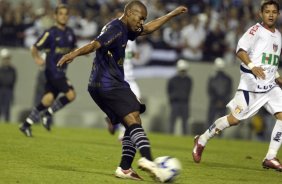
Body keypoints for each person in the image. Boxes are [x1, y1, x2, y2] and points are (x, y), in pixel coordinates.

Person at [57, 1, 187, 181]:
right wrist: (73, 54)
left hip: (105, 84)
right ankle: (148, 160)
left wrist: (171, 14)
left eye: (143, 19)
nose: (141, 22)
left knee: (133, 119)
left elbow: (148, 29)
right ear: (129, 13)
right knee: (134, 120)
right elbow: (96, 44)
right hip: (108, 83)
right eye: (140, 17)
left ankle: (125, 168)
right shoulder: (116, 29)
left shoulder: (126, 28)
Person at [192, 0, 282, 171]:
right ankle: (202, 139)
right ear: (261, 14)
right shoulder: (255, 30)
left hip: (270, 87)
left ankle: (270, 156)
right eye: (267, 11)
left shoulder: (278, 34)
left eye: (274, 11)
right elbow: (240, 50)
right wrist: (252, 66)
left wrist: (276, 76)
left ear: (278, 14)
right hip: (252, 86)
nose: (270, 14)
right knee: (233, 119)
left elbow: (270, 61)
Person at [19, 4, 77, 136]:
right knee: (71, 95)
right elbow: (34, 47)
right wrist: (37, 58)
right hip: (53, 72)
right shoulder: (50, 33)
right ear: (55, 16)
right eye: (60, 13)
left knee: (47, 100)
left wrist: (76, 54)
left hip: (61, 72)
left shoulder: (70, 33)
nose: (63, 16)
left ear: (68, 17)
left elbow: (73, 48)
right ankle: (48, 114)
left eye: (66, 14)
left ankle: (26, 124)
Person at [107, 40, 142, 141]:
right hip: (118, 80)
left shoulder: (132, 41)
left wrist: (134, 56)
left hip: (131, 79)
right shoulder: (113, 38)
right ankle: (123, 132)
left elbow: (136, 54)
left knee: (138, 104)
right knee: (125, 107)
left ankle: (112, 117)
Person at [167, 59, 193, 135]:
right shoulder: (172, 79)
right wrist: (172, 100)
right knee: (172, 121)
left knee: (185, 122)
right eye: (182, 70)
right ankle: (170, 136)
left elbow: (189, 91)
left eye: (184, 70)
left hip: (184, 103)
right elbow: (169, 90)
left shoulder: (188, 80)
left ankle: (185, 136)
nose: (183, 72)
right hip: (175, 102)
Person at [207, 57, 232, 127]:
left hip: (214, 103)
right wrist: (222, 101)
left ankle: (208, 136)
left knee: (210, 121)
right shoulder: (228, 78)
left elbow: (210, 91)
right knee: (222, 123)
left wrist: (216, 101)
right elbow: (228, 92)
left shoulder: (212, 78)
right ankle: (219, 136)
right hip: (222, 103)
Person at [0, 48, 17, 122]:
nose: (6, 60)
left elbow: (13, 80)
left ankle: (7, 121)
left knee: (7, 108)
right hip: (1, 89)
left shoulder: (12, 69)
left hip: (8, 90)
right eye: (5, 59)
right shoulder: (1, 69)